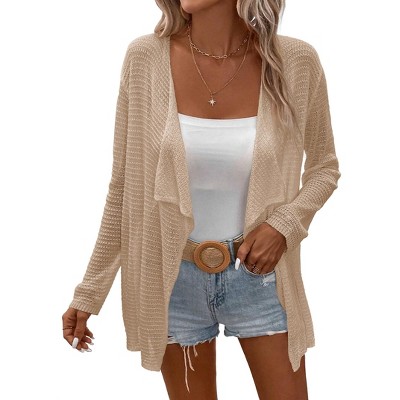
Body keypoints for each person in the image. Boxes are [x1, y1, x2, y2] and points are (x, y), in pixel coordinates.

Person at [62, 0, 341, 399]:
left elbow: (324, 168)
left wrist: (284, 225)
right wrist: (90, 291)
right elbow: (124, 187)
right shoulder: (145, 59)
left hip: (261, 279)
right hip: (171, 281)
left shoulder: (295, 61)